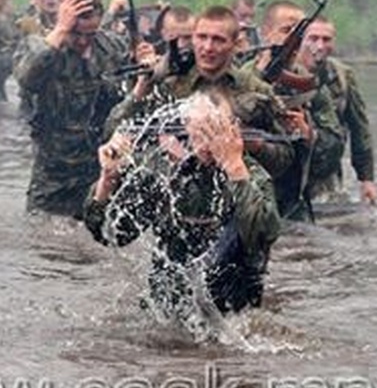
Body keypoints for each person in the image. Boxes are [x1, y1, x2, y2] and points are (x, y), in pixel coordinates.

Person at [85, 90, 281, 334]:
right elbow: (111, 233)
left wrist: (233, 166)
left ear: (232, 129)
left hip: (232, 318)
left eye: (216, 128)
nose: (209, 139)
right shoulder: (164, 174)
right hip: (167, 317)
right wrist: (108, 179)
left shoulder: (249, 174)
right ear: (186, 128)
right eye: (201, 129)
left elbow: (264, 232)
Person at [109, 5, 294, 182]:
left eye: (218, 40)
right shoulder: (168, 86)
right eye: (202, 37)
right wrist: (140, 91)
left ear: (235, 44)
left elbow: (286, 158)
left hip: (236, 197)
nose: (208, 47)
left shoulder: (256, 90)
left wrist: (253, 146)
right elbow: (114, 132)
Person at [14, 0, 130, 218]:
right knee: (41, 238)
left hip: (95, 169)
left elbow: (131, 94)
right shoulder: (41, 46)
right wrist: (60, 30)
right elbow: (27, 77)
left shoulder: (110, 47)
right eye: (76, 34)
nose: (83, 41)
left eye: (91, 34)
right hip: (52, 172)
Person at [247, 0, 344, 219]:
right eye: (286, 30)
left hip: (294, 207)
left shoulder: (308, 82)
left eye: (300, 32)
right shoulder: (238, 77)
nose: (294, 38)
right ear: (265, 33)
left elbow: (335, 147)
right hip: (246, 206)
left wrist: (310, 135)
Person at [299, 17, 377, 204]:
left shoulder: (342, 77)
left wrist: (366, 180)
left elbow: (360, 129)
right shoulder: (285, 73)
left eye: (326, 39)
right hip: (290, 171)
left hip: (327, 174)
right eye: (313, 38)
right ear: (301, 40)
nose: (320, 45)